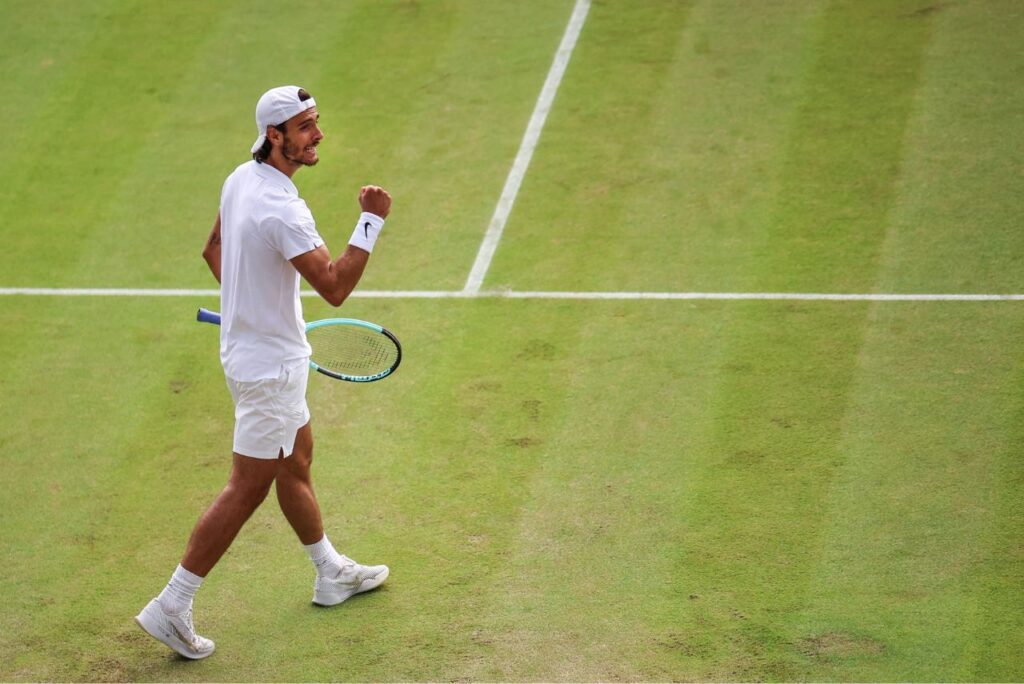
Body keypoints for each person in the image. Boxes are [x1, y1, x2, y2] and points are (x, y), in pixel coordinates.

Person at [135, 85, 392, 660]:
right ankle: (173, 603)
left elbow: (213, 252)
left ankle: (330, 573)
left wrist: (247, 307)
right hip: (270, 369)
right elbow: (334, 287)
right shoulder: (283, 207)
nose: (318, 134)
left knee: (296, 461)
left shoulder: (239, 179)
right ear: (275, 136)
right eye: (304, 128)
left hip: (258, 355)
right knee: (247, 487)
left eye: (316, 121)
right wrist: (370, 222)